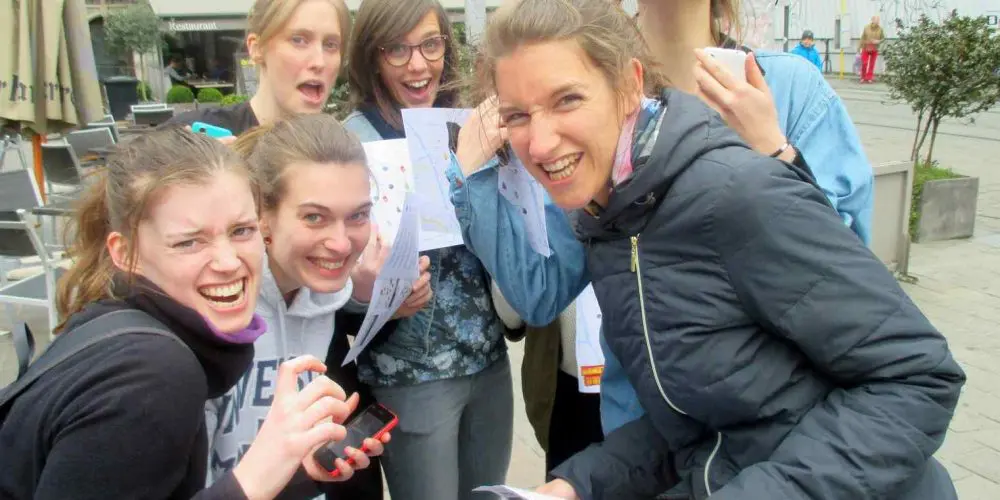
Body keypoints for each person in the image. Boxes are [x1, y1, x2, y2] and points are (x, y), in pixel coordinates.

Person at [455, 1, 966, 499]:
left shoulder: (738, 195)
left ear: (630, 86)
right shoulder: (610, 224)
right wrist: (579, 483)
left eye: (567, 99)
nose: (540, 144)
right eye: (516, 115)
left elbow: (919, 378)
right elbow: (695, 416)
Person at [0, 128, 376, 499]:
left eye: (240, 231)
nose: (228, 262)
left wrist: (291, 469)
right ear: (125, 253)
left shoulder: (119, 322)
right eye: (189, 242)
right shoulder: (153, 374)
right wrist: (256, 476)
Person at [206, 113, 432, 499]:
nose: (341, 243)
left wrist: (311, 466)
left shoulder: (321, 294)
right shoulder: (216, 305)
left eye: (358, 215)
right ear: (262, 217)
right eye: (314, 217)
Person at [342, 0, 514, 498]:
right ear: (373, 56)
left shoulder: (468, 123)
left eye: (430, 45)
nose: (418, 65)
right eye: (397, 49)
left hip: (488, 359)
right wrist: (374, 298)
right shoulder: (352, 143)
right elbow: (331, 274)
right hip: (412, 375)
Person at [168, 0, 351, 135]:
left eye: (331, 45)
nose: (319, 62)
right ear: (256, 48)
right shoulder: (191, 135)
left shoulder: (340, 152)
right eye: (299, 40)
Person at [860, 15, 885, 83]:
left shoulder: (880, 29)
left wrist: (878, 41)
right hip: (866, 47)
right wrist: (859, 48)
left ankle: (869, 78)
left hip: (875, 48)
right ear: (872, 20)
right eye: (876, 20)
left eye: (878, 20)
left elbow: (883, 38)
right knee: (864, 63)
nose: (878, 21)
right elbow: (862, 37)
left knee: (872, 64)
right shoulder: (866, 27)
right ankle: (863, 77)